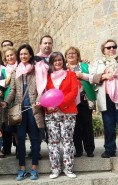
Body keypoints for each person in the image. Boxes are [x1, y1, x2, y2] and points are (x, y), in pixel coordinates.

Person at [3, 44, 47, 181]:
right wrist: (5, 102)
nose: (23, 56)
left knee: (35, 139)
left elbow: (42, 88)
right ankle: (22, 168)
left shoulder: (38, 69)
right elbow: (12, 91)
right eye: (21, 54)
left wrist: (39, 101)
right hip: (19, 110)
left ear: (30, 55)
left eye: (25, 54)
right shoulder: (16, 72)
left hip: (34, 110)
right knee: (20, 139)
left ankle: (34, 168)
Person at [45, 51, 78, 179]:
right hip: (51, 113)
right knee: (53, 141)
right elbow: (44, 93)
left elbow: (73, 92)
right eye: (55, 61)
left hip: (68, 112)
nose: (58, 62)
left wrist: (58, 104)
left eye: (59, 60)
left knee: (67, 140)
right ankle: (55, 169)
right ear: (51, 63)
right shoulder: (47, 77)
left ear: (63, 61)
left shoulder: (71, 74)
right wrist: (48, 106)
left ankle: (68, 168)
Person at [65, 47, 96, 157]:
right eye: (68, 54)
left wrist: (82, 76)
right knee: (75, 125)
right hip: (71, 101)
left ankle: (89, 149)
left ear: (78, 55)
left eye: (73, 53)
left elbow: (93, 78)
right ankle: (78, 150)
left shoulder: (84, 66)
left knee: (87, 124)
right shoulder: (64, 68)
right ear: (66, 57)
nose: (71, 55)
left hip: (84, 98)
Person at [0, 46, 18, 158]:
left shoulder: (22, 67)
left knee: (18, 127)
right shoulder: (3, 70)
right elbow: (1, 85)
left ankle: (19, 149)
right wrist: (9, 77)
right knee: (9, 126)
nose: (10, 57)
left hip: (19, 99)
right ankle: (8, 149)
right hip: (8, 100)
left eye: (12, 55)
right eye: (7, 56)